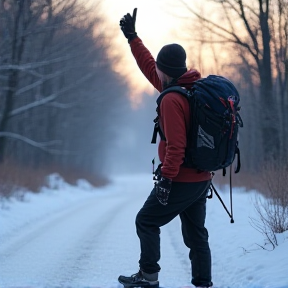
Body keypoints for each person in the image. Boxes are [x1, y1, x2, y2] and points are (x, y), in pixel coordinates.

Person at [118, 8, 213, 288]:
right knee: (197, 235)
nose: (154, 70)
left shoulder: (171, 100)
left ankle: (148, 278)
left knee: (146, 221)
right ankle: (203, 283)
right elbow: (149, 65)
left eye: (159, 67)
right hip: (201, 177)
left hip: (181, 177)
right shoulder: (190, 88)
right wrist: (133, 38)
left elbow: (177, 146)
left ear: (166, 71)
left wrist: (166, 179)